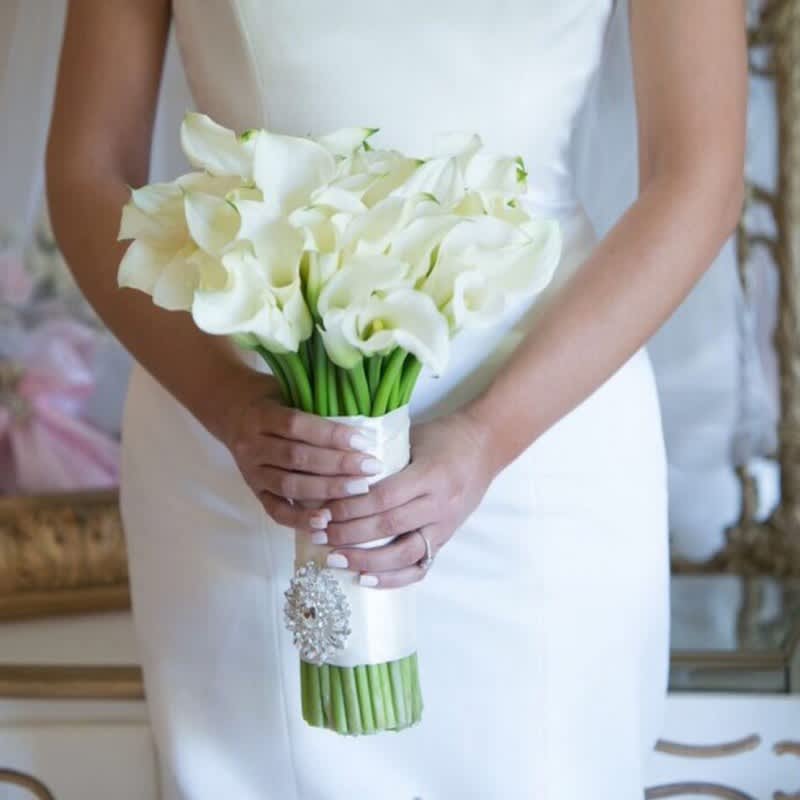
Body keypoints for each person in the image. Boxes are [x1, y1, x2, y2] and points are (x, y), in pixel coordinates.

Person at [45, 1, 746, 797]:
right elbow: (86, 168)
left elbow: (700, 177)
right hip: (249, 440)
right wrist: (231, 407)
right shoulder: (235, 418)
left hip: (545, 439)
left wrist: (490, 435)